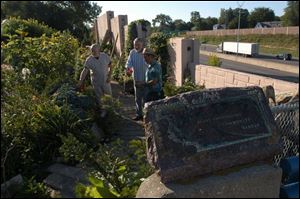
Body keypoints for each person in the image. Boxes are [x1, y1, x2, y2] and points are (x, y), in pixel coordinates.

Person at [126, 38, 148, 121]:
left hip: (146, 80)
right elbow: (129, 64)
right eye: (135, 44)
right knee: (137, 99)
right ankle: (139, 115)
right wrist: (128, 71)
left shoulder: (146, 52)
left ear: (142, 44)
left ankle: (147, 116)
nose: (136, 46)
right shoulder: (132, 52)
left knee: (146, 99)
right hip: (137, 79)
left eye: (138, 44)